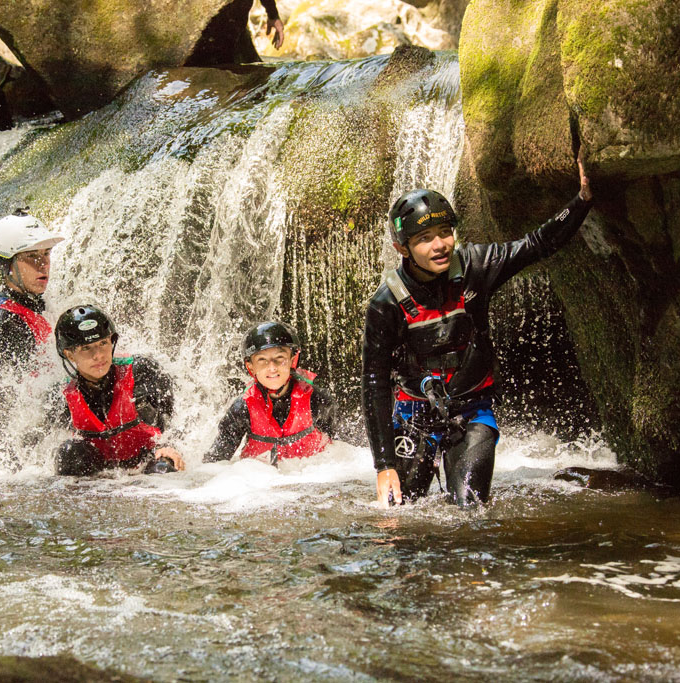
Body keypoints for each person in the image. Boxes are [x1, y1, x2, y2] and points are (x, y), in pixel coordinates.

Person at [363, 158, 594, 507]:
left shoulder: (477, 266)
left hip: (471, 410)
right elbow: (374, 382)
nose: (440, 244)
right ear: (402, 248)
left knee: (468, 509)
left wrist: (583, 200)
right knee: (399, 513)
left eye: (445, 232)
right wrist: (384, 465)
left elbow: (537, 244)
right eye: (425, 238)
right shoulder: (386, 304)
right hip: (413, 415)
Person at [53, 306, 185, 475]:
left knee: (164, 467)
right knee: (69, 453)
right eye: (86, 348)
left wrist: (171, 446)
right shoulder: (60, 396)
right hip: (99, 469)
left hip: (147, 459)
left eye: (103, 343)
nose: (98, 355)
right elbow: (44, 445)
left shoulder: (142, 372)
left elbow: (175, 418)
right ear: (70, 355)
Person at [0, 208, 64, 389]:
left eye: (46, 253)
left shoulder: (38, 307)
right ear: (5, 265)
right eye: (31, 256)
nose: (43, 264)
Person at [204, 321, 334, 465]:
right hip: (263, 481)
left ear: (292, 361)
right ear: (250, 367)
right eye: (262, 360)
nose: (272, 368)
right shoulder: (242, 409)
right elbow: (214, 463)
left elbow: (344, 449)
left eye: (279, 358)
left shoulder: (316, 399)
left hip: (311, 476)